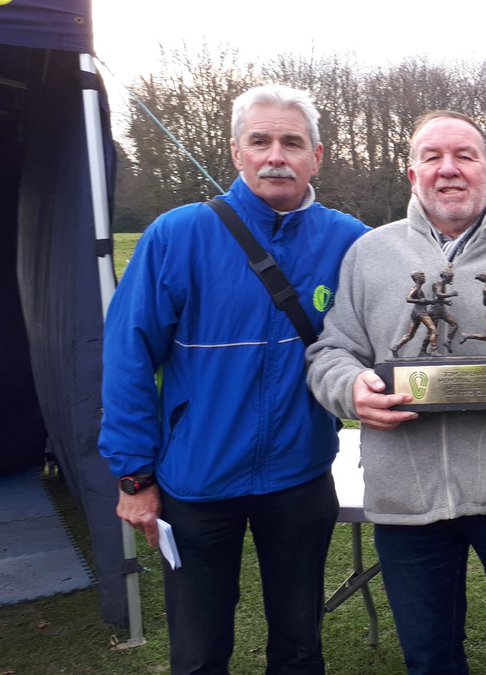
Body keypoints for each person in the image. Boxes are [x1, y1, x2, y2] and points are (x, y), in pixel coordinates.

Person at [100, 84, 370, 673]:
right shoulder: (177, 235)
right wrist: (133, 477)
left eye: (292, 142)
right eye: (261, 141)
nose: (277, 154)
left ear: (316, 157)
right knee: (199, 652)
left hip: (299, 476)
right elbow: (126, 359)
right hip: (196, 479)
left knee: (299, 644)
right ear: (236, 152)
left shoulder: (350, 241)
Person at [305, 110, 486, 675]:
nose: (448, 170)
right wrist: (350, 390)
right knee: (430, 660)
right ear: (413, 176)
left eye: (465, 156)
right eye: (432, 157)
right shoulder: (369, 255)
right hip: (406, 502)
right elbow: (329, 353)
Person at [390, 270, 439, 356]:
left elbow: (422, 301)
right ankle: (433, 350)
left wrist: (430, 301)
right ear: (417, 278)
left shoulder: (419, 289)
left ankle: (395, 347)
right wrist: (421, 300)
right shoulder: (415, 288)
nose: (424, 277)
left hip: (416, 312)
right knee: (433, 330)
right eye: (422, 276)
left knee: (410, 335)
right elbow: (408, 299)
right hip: (421, 313)